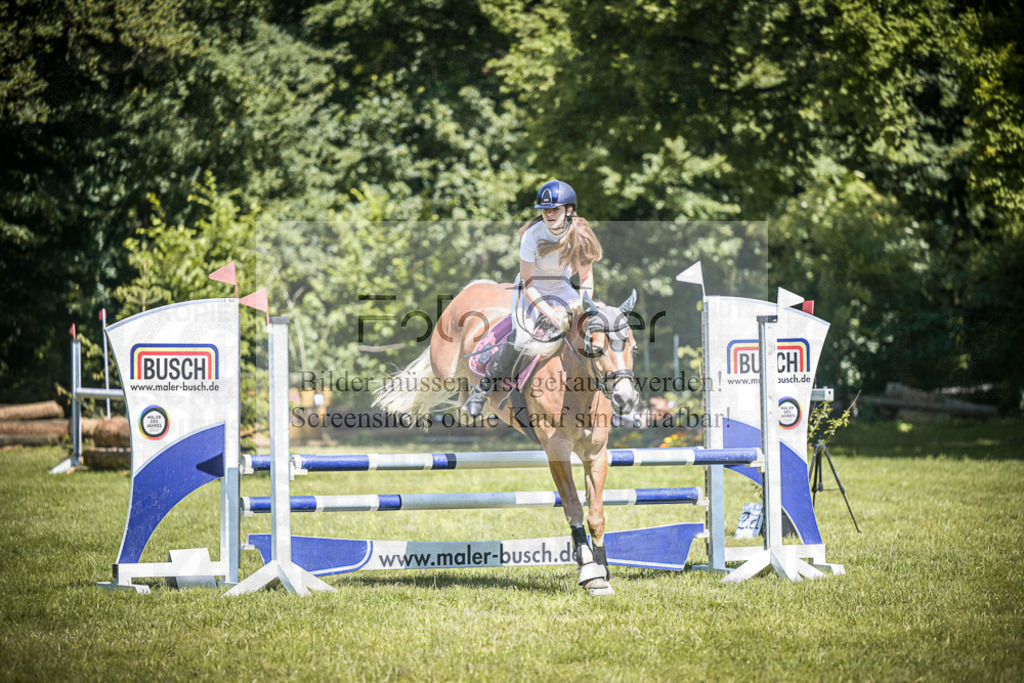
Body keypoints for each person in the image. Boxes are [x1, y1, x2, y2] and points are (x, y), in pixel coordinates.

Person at [464, 179, 604, 417]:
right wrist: (550, 312)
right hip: (531, 288)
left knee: (593, 326)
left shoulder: (580, 234)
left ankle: (609, 385)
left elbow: (586, 279)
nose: (549, 214)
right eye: (545, 210)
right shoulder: (532, 235)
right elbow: (529, 284)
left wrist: (583, 306)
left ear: (569, 210)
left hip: (561, 286)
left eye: (555, 209)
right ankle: (483, 389)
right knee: (522, 337)